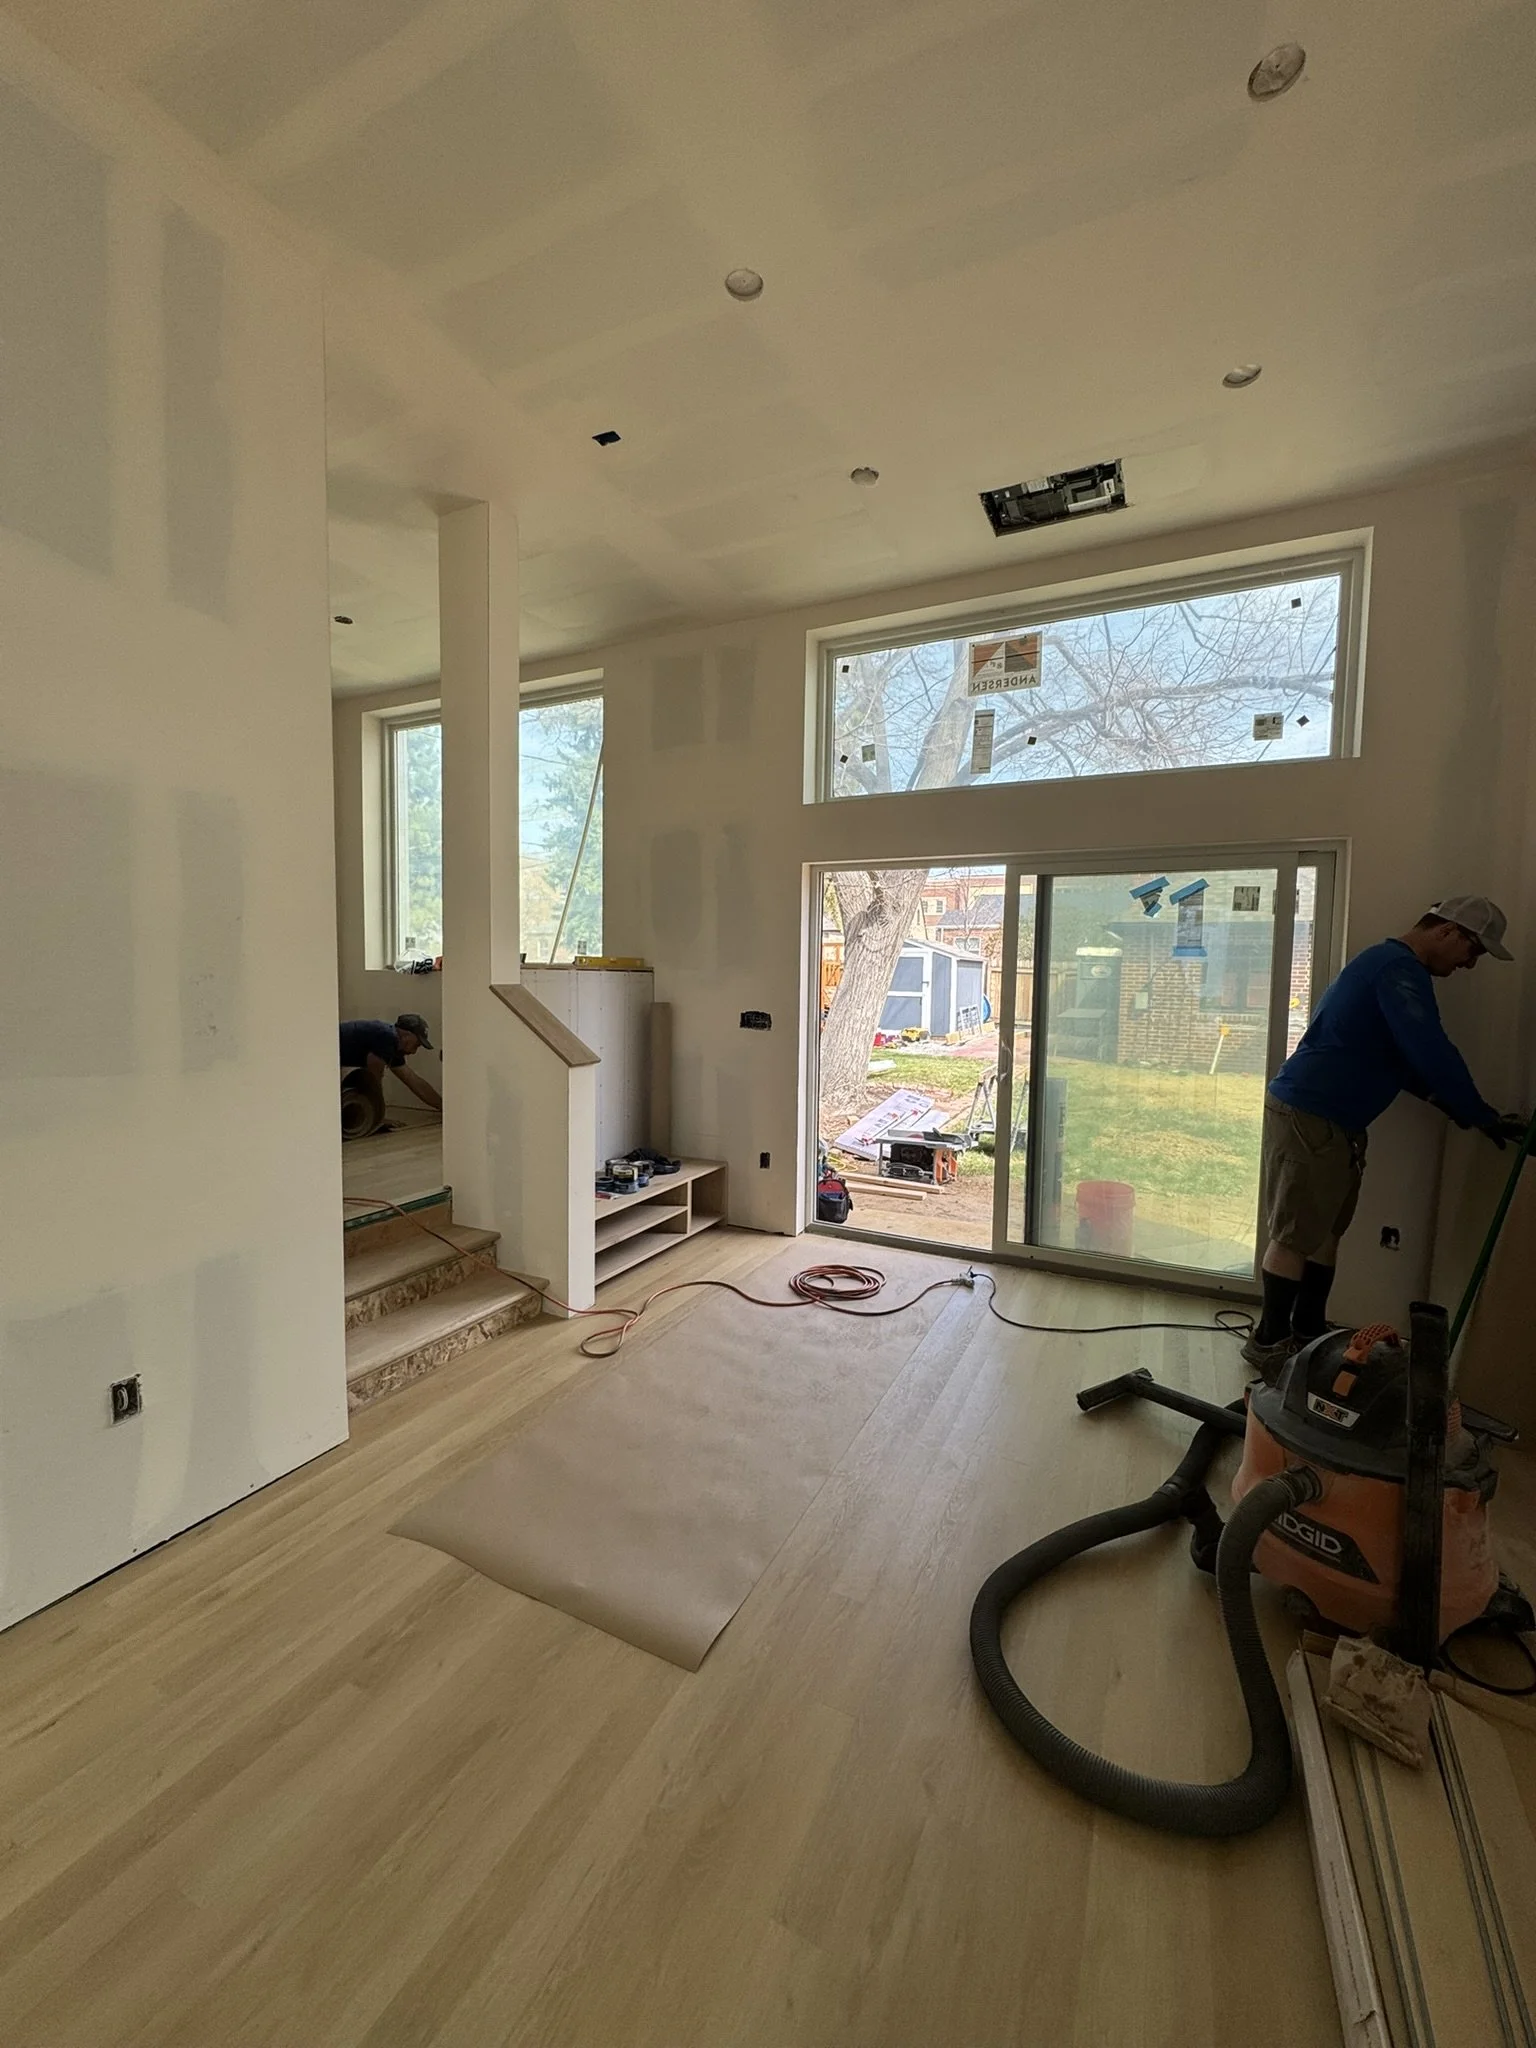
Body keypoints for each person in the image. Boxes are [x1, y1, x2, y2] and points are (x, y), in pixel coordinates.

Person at [1245, 895, 1525, 1375]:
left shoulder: (1394, 970)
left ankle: (1308, 1329)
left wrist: (1453, 1106)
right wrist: (1478, 1112)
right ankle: (1270, 1342)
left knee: (1328, 1229)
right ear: (1447, 932)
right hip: (1311, 1113)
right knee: (1295, 1234)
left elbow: (1403, 1060)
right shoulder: (1395, 969)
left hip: (1340, 1121)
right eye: (1473, 951)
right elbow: (1429, 1049)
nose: (1470, 964)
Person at [339, 1012, 441, 1124]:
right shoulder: (387, 1037)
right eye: (416, 1045)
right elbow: (373, 1081)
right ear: (406, 1035)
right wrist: (378, 1119)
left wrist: (444, 1107)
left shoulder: (392, 1044)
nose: (413, 1052)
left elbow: (414, 1081)